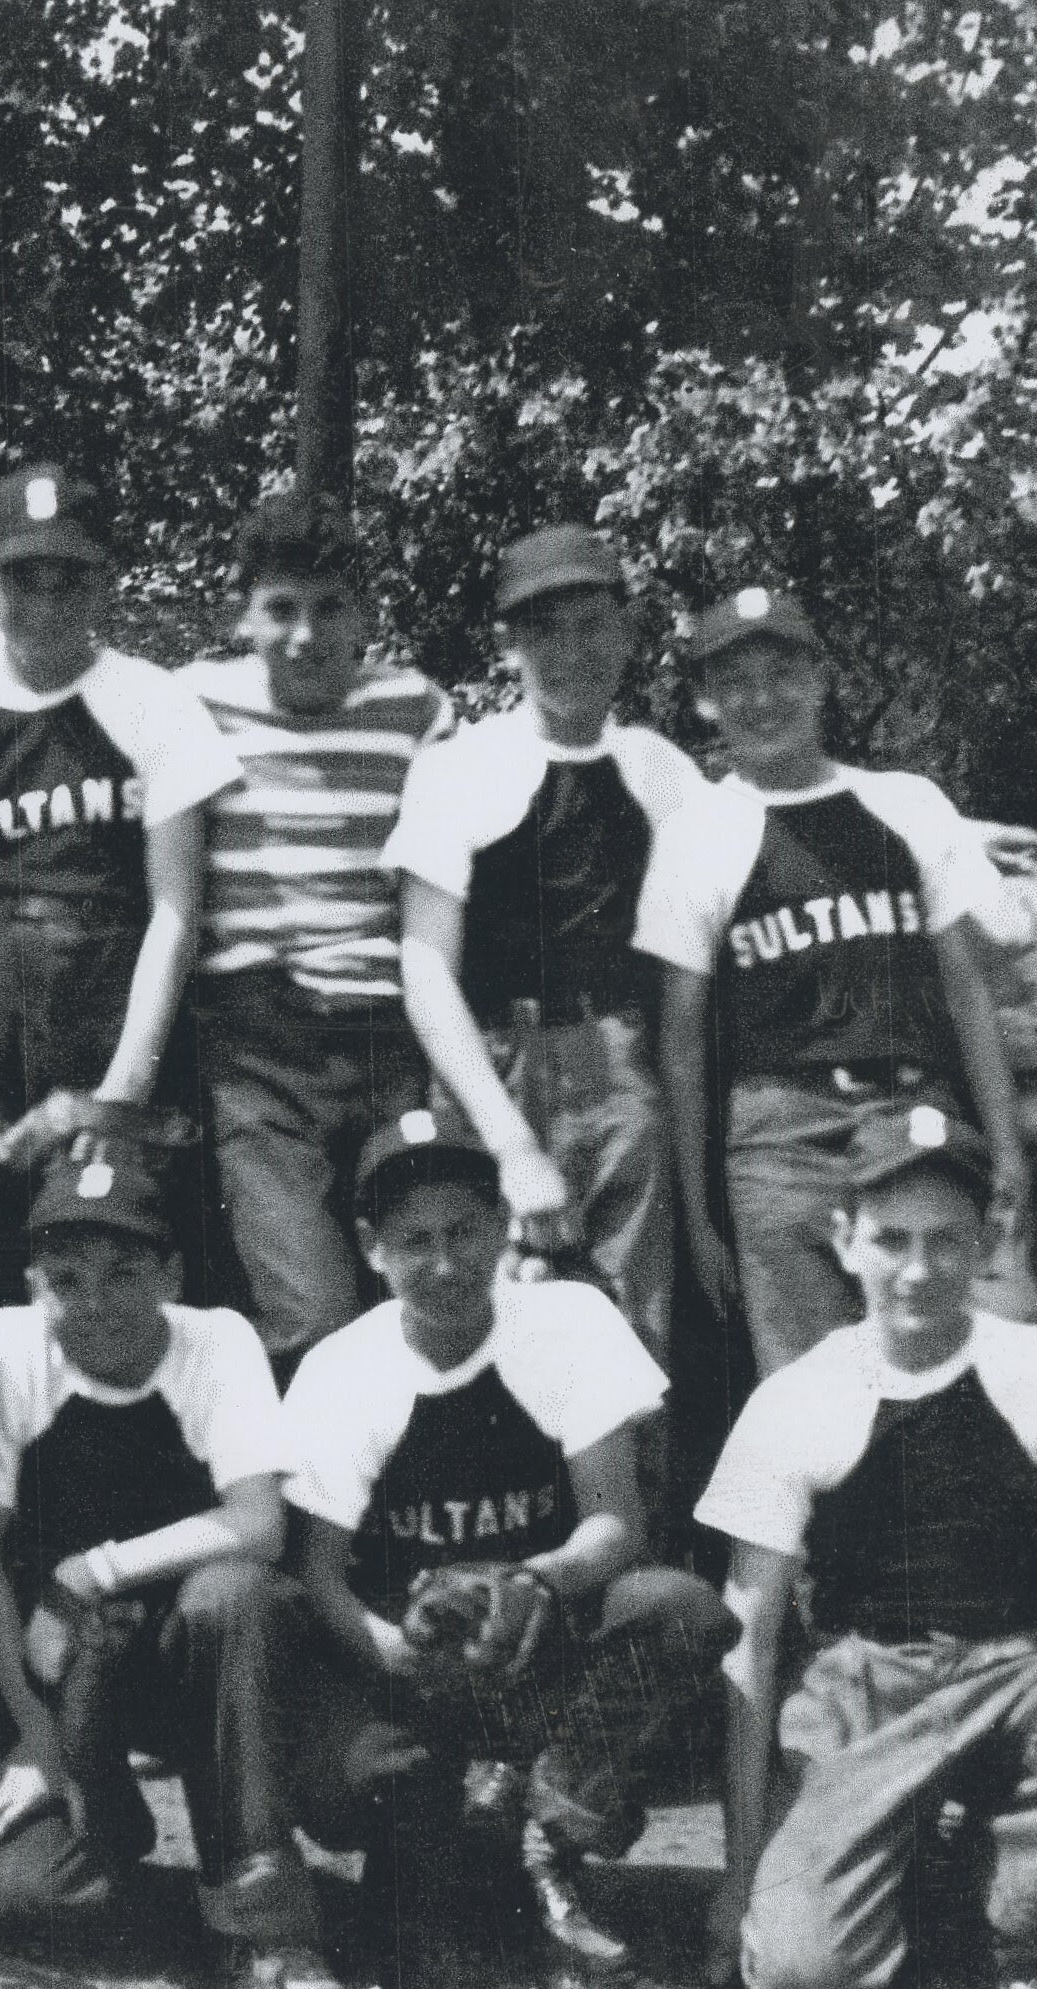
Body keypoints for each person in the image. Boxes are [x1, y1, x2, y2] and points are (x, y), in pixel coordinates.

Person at [700, 1103, 1037, 1989]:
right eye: (891, 1240)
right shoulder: (796, 1400)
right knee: (804, 1984)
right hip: (864, 1690)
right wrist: (740, 1868)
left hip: (1007, 1675)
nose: (917, 1271)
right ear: (844, 1242)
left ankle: (1017, 1908)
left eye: (947, 1241)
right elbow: (747, 1643)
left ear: (987, 1240)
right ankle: (898, 1864)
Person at [278, 1110, 737, 1989]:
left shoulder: (566, 1321)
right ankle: (458, 1850)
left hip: (534, 1647)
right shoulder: (344, 1371)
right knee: (407, 1922)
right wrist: (394, 1653)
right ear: (373, 1249)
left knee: (681, 1611)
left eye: (464, 1231)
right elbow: (319, 1576)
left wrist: (533, 1577)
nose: (445, 1263)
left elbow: (616, 1523)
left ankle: (550, 1827)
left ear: (500, 1226)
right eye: (416, 1240)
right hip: (410, 1666)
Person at [0, 1153, 333, 1989]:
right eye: (66, 1279)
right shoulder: (10, 1352)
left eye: (124, 1272)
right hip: (63, 1668)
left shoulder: (218, 1342)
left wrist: (89, 1570)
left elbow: (257, 1526)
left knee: (234, 1592)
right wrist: (36, 1737)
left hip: (189, 1662)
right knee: (32, 1898)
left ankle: (265, 1912)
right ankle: (113, 1832)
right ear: (32, 1285)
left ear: (170, 1273)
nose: (94, 1304)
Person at [634, 586, 1028, 1379]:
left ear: (821, 679)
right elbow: (680, 1046)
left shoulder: (905, 803)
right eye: (734, 682)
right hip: (781, 1139)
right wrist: (704, 1214)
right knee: (812, 1392)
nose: (762, 699)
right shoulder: (696, 836)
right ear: (706, 703)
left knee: (978, 1371)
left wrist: (1008, 1149)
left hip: (916, 1110)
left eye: (782, 673)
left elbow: (964, 987)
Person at [0, 464, 242, 1292]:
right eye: (25, 578)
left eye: (72, 579)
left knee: (121, 1251)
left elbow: (175, 911)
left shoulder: (153, 703)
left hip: (115, 1005)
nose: (48, 603)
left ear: (107, 585)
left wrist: (124, 1093)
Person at [384, 525, 702, 1365]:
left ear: (628, 633)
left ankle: (627, 1495)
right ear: (509, 644)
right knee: (489, 1320)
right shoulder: (462, 767)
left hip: (619, 1067)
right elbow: (424, 965)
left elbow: (761, 839)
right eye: (543, 629)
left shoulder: (660, 771)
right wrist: (511, 1143)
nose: (570, 652)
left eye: (591, 624)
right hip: (491, 1067)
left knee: (631, 1335)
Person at [179, 494, 451, 1382]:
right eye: (281, 610)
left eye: (329, 608)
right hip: (258, 1045)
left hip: (386, 1033)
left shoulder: (416, 711)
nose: (304, 634)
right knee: (315, 1312)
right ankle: (304, 1517)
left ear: (364, 614)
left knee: (425, 1283)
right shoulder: (193, 705)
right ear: (242, 616)